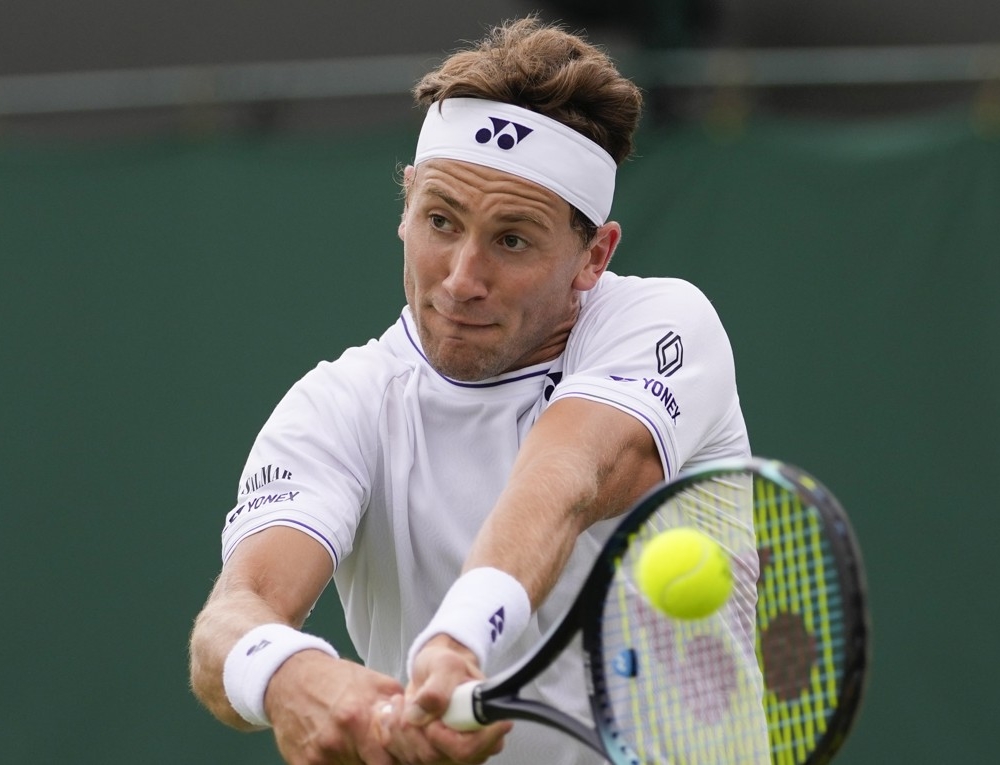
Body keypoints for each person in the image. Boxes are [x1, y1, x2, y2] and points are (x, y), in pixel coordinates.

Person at [188, 16, 760, 765]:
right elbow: (233, 615)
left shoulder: (663, 324)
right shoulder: (338, 405)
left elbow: (566, 479)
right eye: (440, 221)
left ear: (594, 255)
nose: (461, 278)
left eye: (512, 239)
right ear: (406, 206)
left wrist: (457, 638)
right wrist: (292, 675)